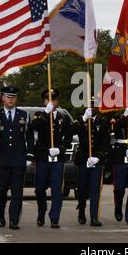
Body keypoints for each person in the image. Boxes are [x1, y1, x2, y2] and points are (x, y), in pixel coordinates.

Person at [0, 86, 34, 230]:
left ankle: (14, 220)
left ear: (16, 99)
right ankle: (0, 215)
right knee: (1, 192)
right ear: (3, 98)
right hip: (0, 160)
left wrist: (29, 155)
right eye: (8, 96)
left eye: (13, 97)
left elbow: (29, 136)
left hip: (18, 160)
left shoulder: (23, 115)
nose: (11, 99)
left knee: (17, 192)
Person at [30, 88, 72, 228]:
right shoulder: (39, 115)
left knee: (56, 189)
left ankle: (55, 218)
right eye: (48, 99)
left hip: (57, 158)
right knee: (40, 189)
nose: (51, 102)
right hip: (43, 156)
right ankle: (42, 211)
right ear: (44, 102)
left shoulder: (63, 117)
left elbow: (69, 136)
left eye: (53, 99)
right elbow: (33, 126)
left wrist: (60, 149)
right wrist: (46, 114)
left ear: (57, 101)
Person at [72, 97, 109, 227]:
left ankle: (94, 217)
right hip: (83, 159)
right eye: (90, 105)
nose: (92, 108)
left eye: (94, 105)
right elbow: (72, 131)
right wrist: (83, 119)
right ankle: (81, 210)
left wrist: (98, 157)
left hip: (96, 160)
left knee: (95, 189)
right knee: (82, 189)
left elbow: (106, 142)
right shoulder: (80, 119)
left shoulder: (103, 122)